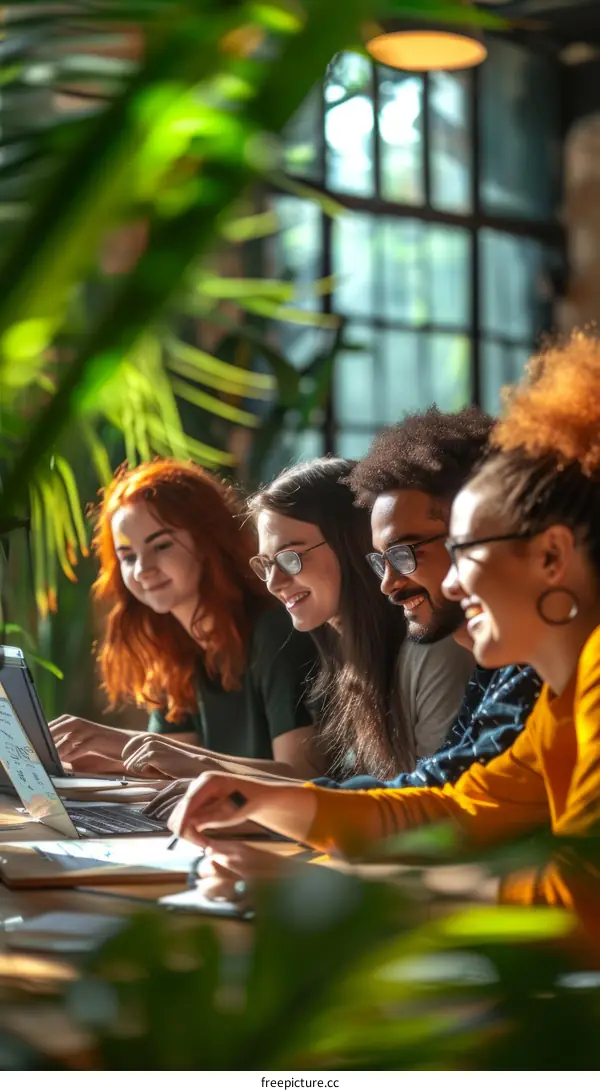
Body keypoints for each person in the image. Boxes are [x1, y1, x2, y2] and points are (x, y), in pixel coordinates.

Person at [169, 332, 600, 952]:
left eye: (464, 553)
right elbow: (453, 809)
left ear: (553, 555)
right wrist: (258, 799)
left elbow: (577, 907)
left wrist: (331, 893)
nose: (449, 580)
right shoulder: (565, 698)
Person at [49, 459, 323, 780]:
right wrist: (61, 765)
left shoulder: (275, 631)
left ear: (208, 542)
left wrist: (119, 741)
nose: (142, 569)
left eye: (161, 545)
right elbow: (164, 766)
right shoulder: (176, 649)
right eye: (128, 557)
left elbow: (301, 776)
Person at [247, 457, 473, 780]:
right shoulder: (347, 660)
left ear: (351, 544)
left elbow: (436, 803)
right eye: (266, 564)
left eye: (290, 558)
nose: (273, 582)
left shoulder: (432, 650)